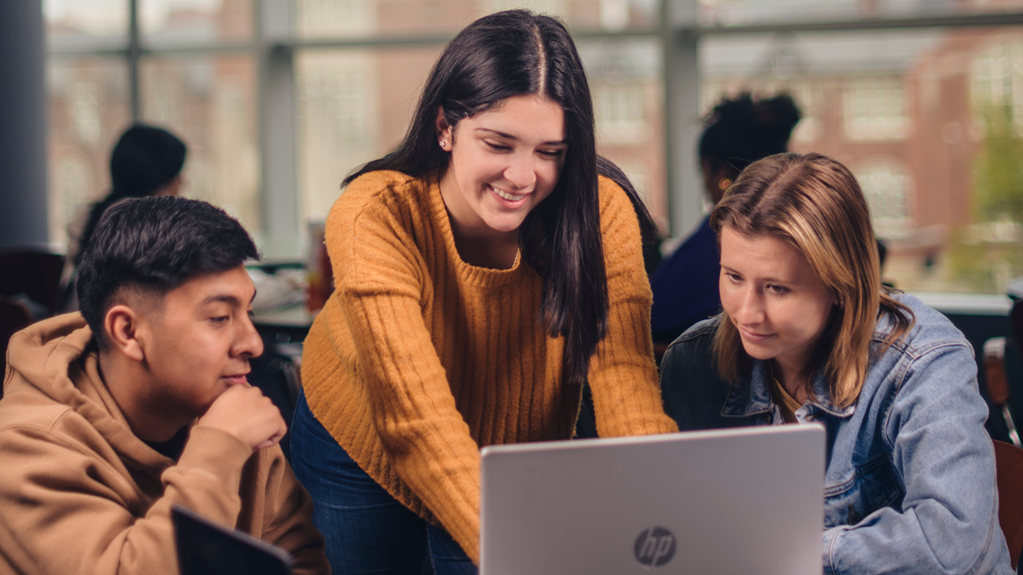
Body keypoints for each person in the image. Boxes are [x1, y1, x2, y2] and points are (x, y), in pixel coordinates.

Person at [291, 9, 678, 574]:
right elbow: (416, 422)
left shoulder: (599, 213)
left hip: (516, 456)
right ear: (446, 127)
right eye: (500, 143)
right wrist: (517, 551)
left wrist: (663, 527)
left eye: (550, 152)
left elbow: (625, 384)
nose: (523, 177)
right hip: (360, 443)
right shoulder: (376, 214)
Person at [659, 152, 1014, 573]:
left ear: (840, 284)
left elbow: (952, 542)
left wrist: (790, 551)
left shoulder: (923, 360)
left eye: (776, 288)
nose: (746, 314)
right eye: (733, 277)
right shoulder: (691, 363)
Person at [0, 197, 330, 575]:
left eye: (248, 313)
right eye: (220, 317)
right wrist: (220, 447)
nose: (253, 343)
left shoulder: (230, 415)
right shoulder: (25, 448)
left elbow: (300, 558)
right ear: (128, 331)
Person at [649, 92, 800, 343]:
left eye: (703, 171)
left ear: (722, 174)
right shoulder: (799, 232)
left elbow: (648, 318)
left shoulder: (719, 240)